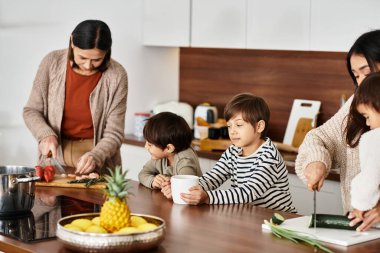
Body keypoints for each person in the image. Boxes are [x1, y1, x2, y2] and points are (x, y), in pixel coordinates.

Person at [295, 30, 380, 231]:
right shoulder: (360, 102)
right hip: (361, 234)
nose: (360, 83)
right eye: (356, 75)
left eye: (366, 72)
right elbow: (320, 138)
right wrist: (316, 161)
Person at [23, 20, 128, 175]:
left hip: (95, 156)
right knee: (47, 199)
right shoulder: (51, 62)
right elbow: (31, 111)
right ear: (72, 41)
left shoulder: (117, 75)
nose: (88, 65)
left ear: (107, 52)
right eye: (82, 57)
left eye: (97, 60)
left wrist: (96, 156)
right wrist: (45, 134)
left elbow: (114, 133)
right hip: (55, 155)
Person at [162, 93, 296, 213]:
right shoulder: (233, 151)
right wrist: (183, 190)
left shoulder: (269, 156)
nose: (232, 131)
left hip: (277, 220)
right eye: (229, 126)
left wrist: (208, 196)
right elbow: (213, 177)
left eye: (239, 125)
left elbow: (248, 192)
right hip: (249, 217)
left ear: (259, 126)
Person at [345, 73, 380, 231]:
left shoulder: (373, 138)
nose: (367, 123)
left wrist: (360, 205)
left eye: (367, 115)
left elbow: (369, 178)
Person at [138, 112, 202, 190]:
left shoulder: (185, 161)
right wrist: (153, 181)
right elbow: (142, 174)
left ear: (169, 148)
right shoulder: (159, 156)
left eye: (150, 144)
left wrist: (170, 187)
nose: (145, 146)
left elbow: (187, 190)